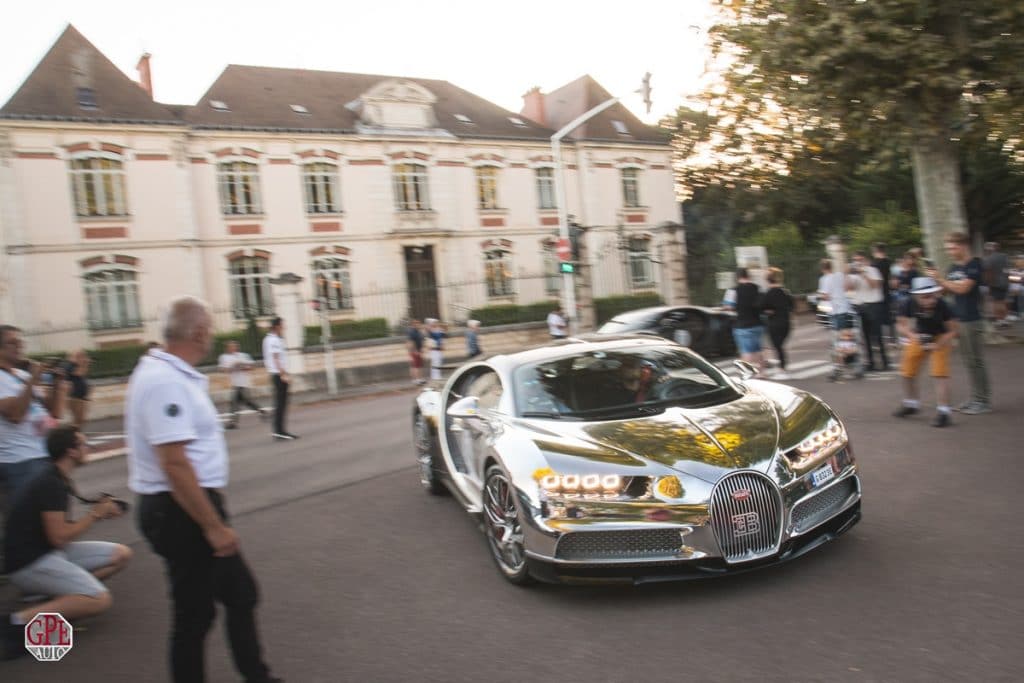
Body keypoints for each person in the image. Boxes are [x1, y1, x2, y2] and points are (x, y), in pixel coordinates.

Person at [126, 296, 281, 683]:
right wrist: (212, 525)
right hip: (183, 509)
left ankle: (257, 676)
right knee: (194, 616)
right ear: (197, 332)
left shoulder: (167, 373)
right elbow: (174, 464)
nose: (212, 335)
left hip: (186, 504)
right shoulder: (164, 381)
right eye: (210, 328)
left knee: (240, 594)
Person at [2, 425, 132, 660]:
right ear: (71, 451)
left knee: (121, 555)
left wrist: (98, 512)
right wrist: (95, 515)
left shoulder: (55, 476)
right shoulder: (50, 483)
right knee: (99, 600)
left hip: (48, 552)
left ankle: (59, 602)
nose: (87, 448)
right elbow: (59, 537)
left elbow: (58, 537)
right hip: (28, 563)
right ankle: (14, 623)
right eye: (83, 444)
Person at [1, 325, 65, 573]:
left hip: (40, 454)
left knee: (50, 519)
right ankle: (29, 575)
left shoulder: (18, 374)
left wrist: (58, 383)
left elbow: (53, 412)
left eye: (20, 342)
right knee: (29, 522)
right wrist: (33, 380)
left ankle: (52, 569)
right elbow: (15, 414)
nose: (19, 347)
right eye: (12, 343)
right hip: (19, 461)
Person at [928, 232, 990, 414]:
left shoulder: (974, 265)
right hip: (958, 320)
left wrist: (941, 280)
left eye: (953, 248)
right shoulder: (953, 267)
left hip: (972, 319)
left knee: (976, 361)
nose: (950, 251)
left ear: (963, 246)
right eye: (948, 248)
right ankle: (975, 398)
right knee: (968, 362)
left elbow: (964, 288)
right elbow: (945, 292)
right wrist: (935, 283)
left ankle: (983, 400)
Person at [892, 277, 958, 428]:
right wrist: (912, 336)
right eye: (925, 297)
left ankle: (944, 412)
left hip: (940, 337)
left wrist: (937, 344)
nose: (930, 300)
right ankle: (911, 404)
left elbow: (953, 330)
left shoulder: (943, 305)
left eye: (933, 295)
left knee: (939, 373)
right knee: (906, 371)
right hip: (919, 335)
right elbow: (900, 326)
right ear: (916, 296)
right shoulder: (908, 303)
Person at [851, 251, 890, 371]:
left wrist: (864, 274)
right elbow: (848, 288)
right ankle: (870, 363)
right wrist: (846, 274)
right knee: (865, 337)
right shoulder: (854, 274)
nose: (858, 262)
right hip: (861, 306)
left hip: (874, 305)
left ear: (865, 260)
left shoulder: (873, 270)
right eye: (856, 260)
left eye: (860, 259)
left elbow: (875, 285)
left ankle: (884, 362)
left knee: (877, 335)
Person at [262, 317, 297, 440]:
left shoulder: (269, 339)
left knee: (279, 403)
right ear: (277, 327)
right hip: (278, 375)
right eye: (282, 325)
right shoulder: (273, 340)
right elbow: (276, 358)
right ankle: (280, 431)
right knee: (280, 404)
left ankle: (279, 430)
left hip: (277, 374)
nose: (284, 328)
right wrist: (283, 375)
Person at [218, 340, 266, 429]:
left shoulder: (244, 355)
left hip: (244, 383)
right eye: (230, 346)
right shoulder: (224, 357)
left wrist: (243, 367)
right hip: (235, 383)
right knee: (245, 402)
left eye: (234, 346)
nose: (232, 348)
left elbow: (252, 367)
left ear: (237, 347)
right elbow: (222, 369)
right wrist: (232, 367)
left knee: (235, 402)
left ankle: (233, 423)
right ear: (227, 348)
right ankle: (262, 411)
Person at [761, 267, 794, 379]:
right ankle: (782, 367)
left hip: (774, 322)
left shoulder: (768, 293)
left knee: (777, 346)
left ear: (768, 279)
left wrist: (770, 311)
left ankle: (782, 369)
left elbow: (762, 307)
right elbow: (791, 306)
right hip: (786, 322)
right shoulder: (785, 292)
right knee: (780, 346)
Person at [731, 267, 764, 373]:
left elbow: (729, 306)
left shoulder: (733, 290)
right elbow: (761, 303)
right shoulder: (756, 288)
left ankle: (746, 374)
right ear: (748, 276)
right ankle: (762, 372)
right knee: (758, 349)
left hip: (742, 324)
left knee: (746, 351)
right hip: (757, 324)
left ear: (737, 277)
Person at [817, 259, 857, 330]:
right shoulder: (839, 275)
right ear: (831, 267)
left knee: (839, 335)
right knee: (846, 333)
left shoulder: (824, 279)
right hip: (844, 308)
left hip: (834, 310)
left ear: (822, 269)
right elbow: (848, 287)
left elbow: (825, 297)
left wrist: (820, 296)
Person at [982, 241, 1010, 328]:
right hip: (1005, 283)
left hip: (995, 284)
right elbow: (1007, 270)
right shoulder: (1004, 257)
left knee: (996, 303)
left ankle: (999, 320)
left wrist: (988, 283)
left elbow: (988, 272)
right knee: (1003, 302)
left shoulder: (989, 258)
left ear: (990, 249)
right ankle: (1004, 320)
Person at [63, 349, 91, 429]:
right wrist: (85, 364)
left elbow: (83, 374)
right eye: (80, 356)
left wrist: (85, 364)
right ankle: (71, 434)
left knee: (81, 419)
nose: (83, 358)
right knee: (77, 418)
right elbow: (78, 373)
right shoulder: (69, 365)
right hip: (74, 395)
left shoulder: (77, 365)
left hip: (81, 395)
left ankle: (76, 433)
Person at [871, 242, 894, 341]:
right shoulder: (888, 261)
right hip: (887, 290)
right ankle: (892, 338)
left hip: (877, 292)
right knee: (889, 315)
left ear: (875, 251)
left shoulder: (874, 264)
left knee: (877, 316)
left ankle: (878, 338)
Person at [406, 318, 425, 385]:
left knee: (419, 365)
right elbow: (411, 342)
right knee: (415, 366)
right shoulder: (412, 332)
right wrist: (414, 351)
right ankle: (415, 379)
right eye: (417, 323)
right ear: (413, 324)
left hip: (419, 351)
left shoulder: (419, 331)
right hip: (415, 351)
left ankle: (420, 378)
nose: (418, 325)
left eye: (419, 323)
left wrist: (422, 349)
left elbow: (422, 340)